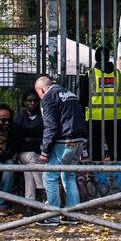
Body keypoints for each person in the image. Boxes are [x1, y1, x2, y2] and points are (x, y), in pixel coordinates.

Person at [35, 76, 86, 225]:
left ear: (42, 89)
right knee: (69, 176)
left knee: (50, 177)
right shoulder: (70, 93)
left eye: (38, 94)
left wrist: (45, 151)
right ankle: (73, 215)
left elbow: (50, 126)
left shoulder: (49, 97)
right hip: (77, 141)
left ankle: (52, 216)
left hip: (63, 142)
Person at [78, 47, 121, 161]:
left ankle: (96, 173)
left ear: (96, 58)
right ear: (108, 57)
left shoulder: (91, 75)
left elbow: (83, 98)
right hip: (115, 116)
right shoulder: (119, 75)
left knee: (95, 149)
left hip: (95, 117)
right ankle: (118, 172)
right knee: (115, 149)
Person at [13, 90, 45, 216]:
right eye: (29, 101)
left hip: (39, 155)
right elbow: (17, 140)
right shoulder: (19, 119)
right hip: (23, 154)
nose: (32, 103)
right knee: (31, 157)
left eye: (35, 100)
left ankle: (29, 205)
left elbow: (45, 138)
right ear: (24, 103)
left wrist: (29, 139)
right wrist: (33, 142)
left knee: (29, 170)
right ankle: (42, 189)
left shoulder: (43, 117)